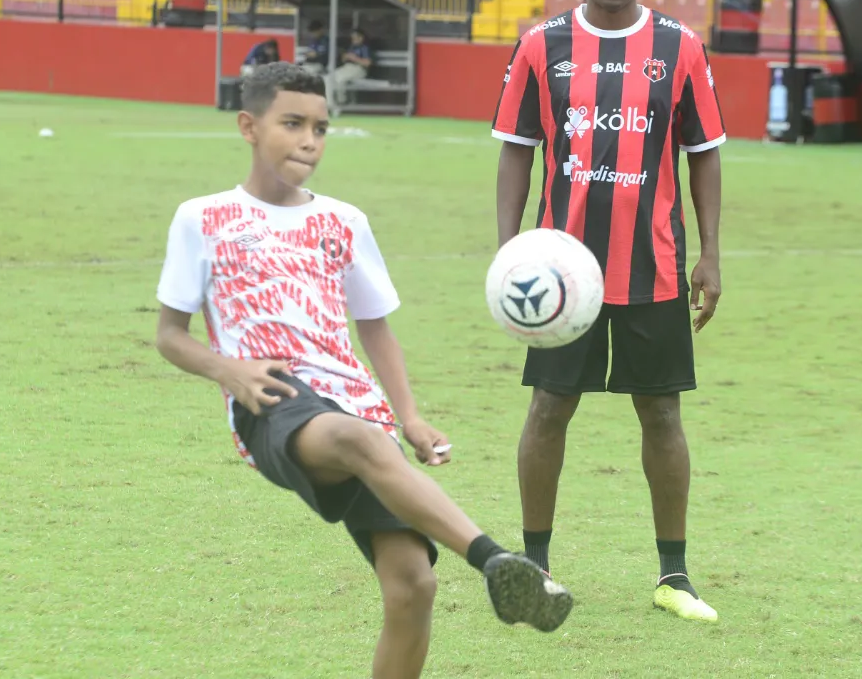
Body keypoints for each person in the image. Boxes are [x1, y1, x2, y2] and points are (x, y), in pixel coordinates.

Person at [155, 63, 573, 679]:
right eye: (292, 124)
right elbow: (168, 336)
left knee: (413, 587)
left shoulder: (344, 221)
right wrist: (230, 371)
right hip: (271, 395)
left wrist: (410, 416)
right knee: (357, 439)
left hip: (356, 406)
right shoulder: (203, 217)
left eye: (320, 128)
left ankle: (488, 569)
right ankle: (495, 560)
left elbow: (375, 327)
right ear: (248, 126)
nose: (309, 141)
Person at [491, 0, 724, 623]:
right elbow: (515, 149)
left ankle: (674, 575)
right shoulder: (541, 45)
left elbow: (704, 153)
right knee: (550, 407)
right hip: (561, 277)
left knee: (660, 411)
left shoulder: (680, 47)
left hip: (653, 263)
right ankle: (535, 566)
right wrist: (509, 251)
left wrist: (711, 252)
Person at [331, 27, 374, 105]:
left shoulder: (365, 48)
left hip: (359, 69)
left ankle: (341, 102)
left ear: (361, 38)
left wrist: (355, 58)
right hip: (347, 68)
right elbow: (344, 60)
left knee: (340, 79)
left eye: (355, 38)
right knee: (330, 77)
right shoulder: (352, 47)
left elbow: (367, 63)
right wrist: (345, 57)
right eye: (352, 38)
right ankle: (330, 103)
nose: (353, 39)